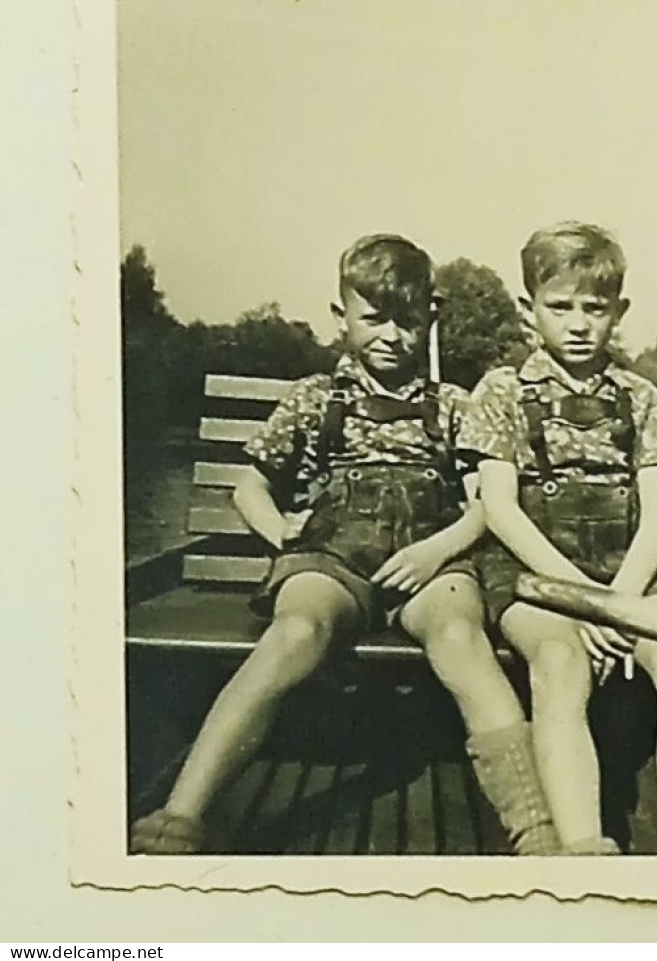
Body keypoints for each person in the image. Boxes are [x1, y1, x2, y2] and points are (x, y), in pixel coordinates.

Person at [129, 234, 558, 856]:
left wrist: (437, 551)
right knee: (297, 631)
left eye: (407, 321)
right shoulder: (314, 399)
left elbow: (486, 504)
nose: (391, 335)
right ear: (342, 318)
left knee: (462, 639)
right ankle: (183, 812)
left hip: (430, 564)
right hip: (330, 561)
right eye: (374, 318)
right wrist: (281, 532)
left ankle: (534, 826)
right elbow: (250, 486)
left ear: (430, 320)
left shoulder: (456, 407)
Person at [459, 222, 657, 856]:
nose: (579, 324)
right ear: (530, 310)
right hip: (539, 580)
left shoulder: (641, 398)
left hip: (634, 575)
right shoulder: (501, 392)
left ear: (617, 312)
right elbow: (500, 509)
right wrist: (582, 603)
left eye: (595, 309)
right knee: (560, 663)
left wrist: (621, 603)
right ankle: (582, 846)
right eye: (560, 307)